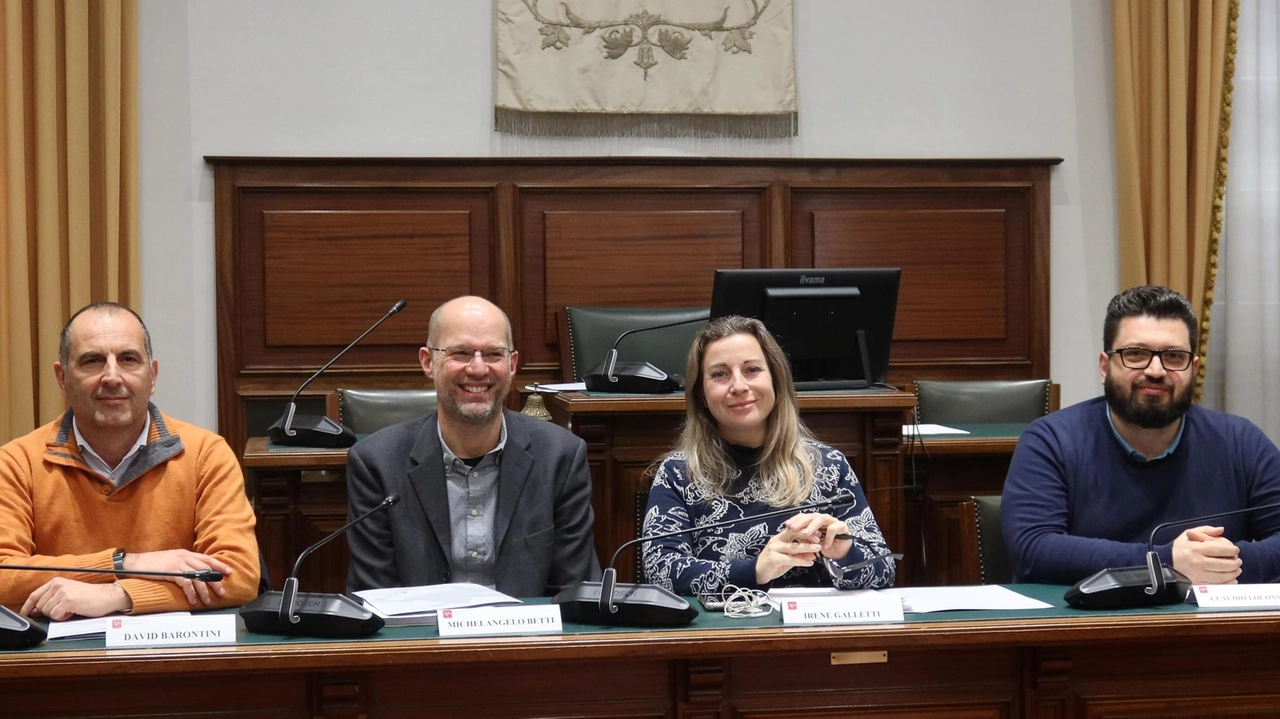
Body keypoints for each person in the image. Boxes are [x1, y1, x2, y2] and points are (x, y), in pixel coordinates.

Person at [1002, 285, 1280, 585]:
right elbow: (1033, 549)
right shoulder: (1051, 441)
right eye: (1136, 354)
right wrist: (1166, 563)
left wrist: (1219, 565)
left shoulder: (1241, 442)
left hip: (1208, 626)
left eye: (1174, 356)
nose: (1156, 370)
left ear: (1194, 369)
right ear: (1105, 367)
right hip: (1092, 627)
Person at [0, 303, 260, 620]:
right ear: (62, 378)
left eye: (128, 359)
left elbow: (239, 576)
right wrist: (126, 563)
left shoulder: (206, 454)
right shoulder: (16, 463)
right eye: (93, 361)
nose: (112, 376)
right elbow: (3, 575)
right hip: (60, 661)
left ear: (152, 376)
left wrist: (117, 594)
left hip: (175, 660)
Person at [345, 296, 599, 596]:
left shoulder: (561, 457)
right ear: (428, 362)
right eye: (461, 353)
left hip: (527, 639)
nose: (478, 369)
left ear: (512, 364)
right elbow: (374, 601)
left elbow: (576, 594)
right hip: (422, 640)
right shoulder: (377, 463)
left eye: (493, 354)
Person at [642, 315, 896, 597]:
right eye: (719, 374)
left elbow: (884, 570)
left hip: (818, 632)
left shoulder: (829, 466)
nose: (738, 385)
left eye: (752, 369)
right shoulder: (678, 473)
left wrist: (845, 552)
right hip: (727, 632)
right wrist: (755, 571)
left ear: (776, 379)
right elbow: (661, 572)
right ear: (701, 394)